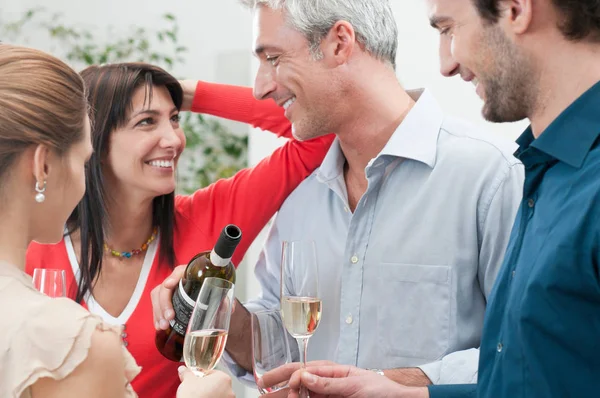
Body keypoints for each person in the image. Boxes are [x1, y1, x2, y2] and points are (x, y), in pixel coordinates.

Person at [152, 0, 525, 394]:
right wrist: (220, 311)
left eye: (274, 58)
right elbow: (278, 340)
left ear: (339, 43)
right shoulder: (301, 195)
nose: (261, 88)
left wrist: (398, 383)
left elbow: (527, 349)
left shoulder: (493, 177)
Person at [274, 0, 600, 397]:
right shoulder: (544, 174)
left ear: (516, 9)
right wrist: (403, 394)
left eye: (449, 29)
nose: (445, 64)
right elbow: (523, 375)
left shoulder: (507, 175)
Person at [24, 63, 334, 397]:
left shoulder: (208, 222)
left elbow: (320, 135)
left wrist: (192, 94)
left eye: (174, 118)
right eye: (147, 121)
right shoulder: (33, 243)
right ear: (93, 143)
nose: (173, 139)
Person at [0, 43, 236, 398]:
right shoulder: (80, 344)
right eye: (83, 160)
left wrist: (184, 92)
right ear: (43, 166)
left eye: (174, 118)